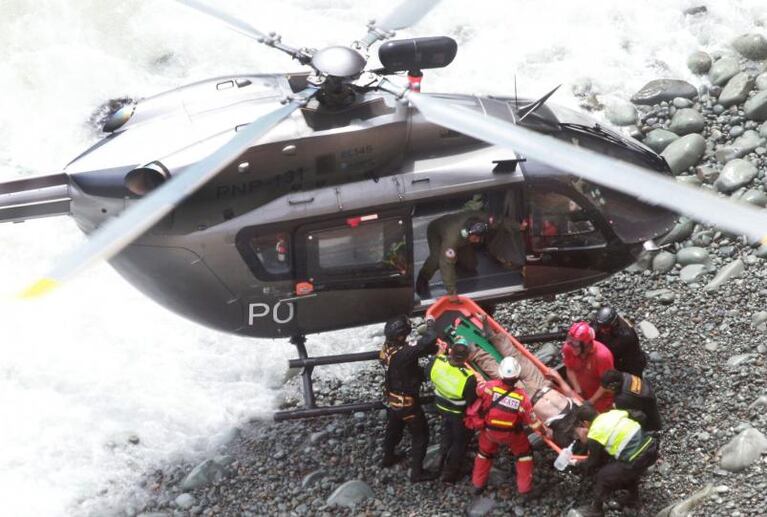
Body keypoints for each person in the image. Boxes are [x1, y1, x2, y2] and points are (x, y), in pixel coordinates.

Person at [379, 314, 440, 482]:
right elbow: (427, 340)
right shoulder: (404, 353)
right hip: (408, 403)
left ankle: (388, 457)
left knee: (393, 429)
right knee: (421, 435)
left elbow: (412, 352)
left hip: (393, 399)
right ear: (400, 335)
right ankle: (417, 473)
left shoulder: (387, 349)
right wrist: (430, 324)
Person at [571, 403, 659, 516]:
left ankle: (596, 510)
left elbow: (593, 462)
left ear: (585, 423)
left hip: (636, 459)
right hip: (651, 448)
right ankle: (633, 498)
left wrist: (577, 463)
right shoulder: (614, 413)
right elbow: (640, 415)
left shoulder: (595, 433)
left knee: (603, 476)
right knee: (622, 467)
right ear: (596, 411)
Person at [471, 357, 542, 497]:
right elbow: (533, 422)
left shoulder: (489, 387)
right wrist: (544, 432)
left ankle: (477, 485)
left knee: (484, 454)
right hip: (512, 436)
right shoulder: (522, 398)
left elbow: (478, 391)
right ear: (517, 376)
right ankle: (525, 489)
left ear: (501, 374)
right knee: (524, 456)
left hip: (489, 432)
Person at [426, 336, 477, 482]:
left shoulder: (438, 362)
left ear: (451, 352)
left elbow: (428, 372)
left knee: (447, 431)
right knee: (460, 441)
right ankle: (450, 473)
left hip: (441, 406)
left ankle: (440, 459)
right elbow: (471, 400)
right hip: (458, 413)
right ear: (466, 358)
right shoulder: (468, 377)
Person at [415, 211, 493, 299]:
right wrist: (451, 292)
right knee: (436, 260)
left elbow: (500, 221)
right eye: (475, 238)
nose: (478, 240)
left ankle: (457, 259)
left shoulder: (484, 220)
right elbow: (446, 263)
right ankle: (422, 279)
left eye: (480, 237)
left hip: (462, 237)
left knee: (471, 265)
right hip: (437, 230)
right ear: (467, 233)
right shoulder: (452, 239)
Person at [562, 322, 614, 412]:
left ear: (587, 345)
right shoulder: (568, 348)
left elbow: (607, 384)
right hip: (582, 392)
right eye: (569, 340)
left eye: (575, 344)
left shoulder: (603, 356)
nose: (571, 346)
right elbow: (570, 368)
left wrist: (591, 402)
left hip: (601, 399)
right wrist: (578, 390)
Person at [591, 306, 647, 377]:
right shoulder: (599, 323)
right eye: (600, 326)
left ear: (613, 325)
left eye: (605, 327)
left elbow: (632, 359)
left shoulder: (627, 336)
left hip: (627, 360)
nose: (602, 330)